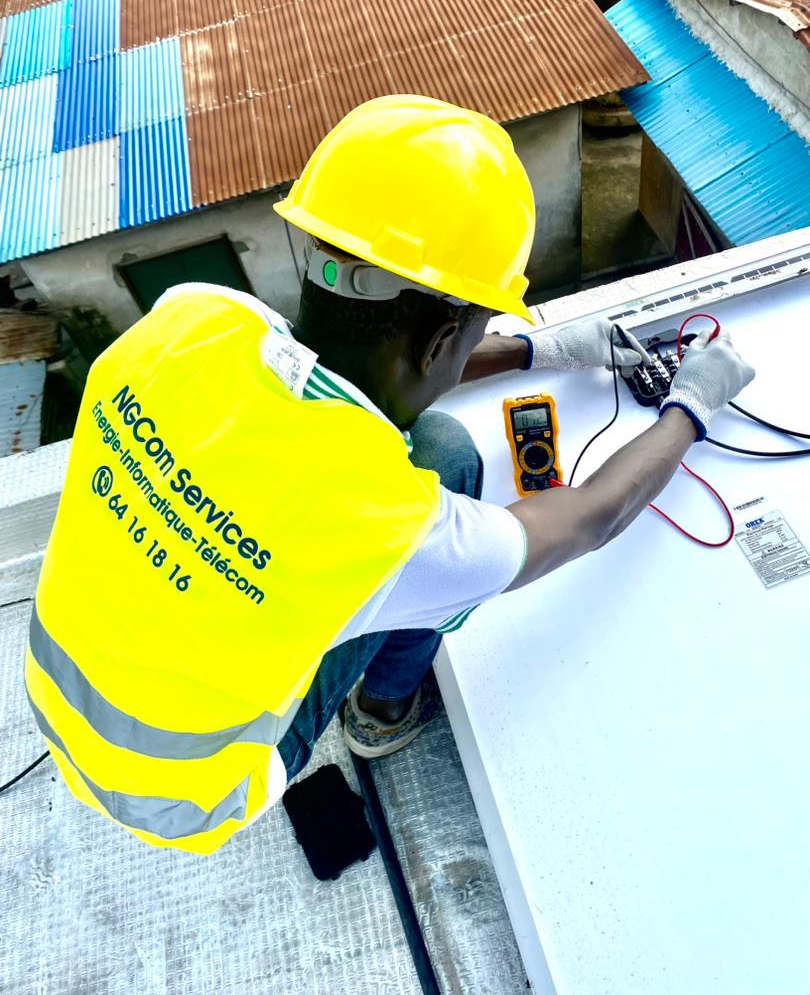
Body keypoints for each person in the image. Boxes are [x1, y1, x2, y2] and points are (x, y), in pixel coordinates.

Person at [26, 96, 754, 855]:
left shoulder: (191, 318)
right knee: (451, 458)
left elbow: (326, 358)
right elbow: (590, 518)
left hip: (59, 684)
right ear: (446, 333)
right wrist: (691, 404)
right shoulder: (391, 531)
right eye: (479, 326)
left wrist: (541, 352)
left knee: (425, 439)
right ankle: (380, 714)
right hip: (181, 789)